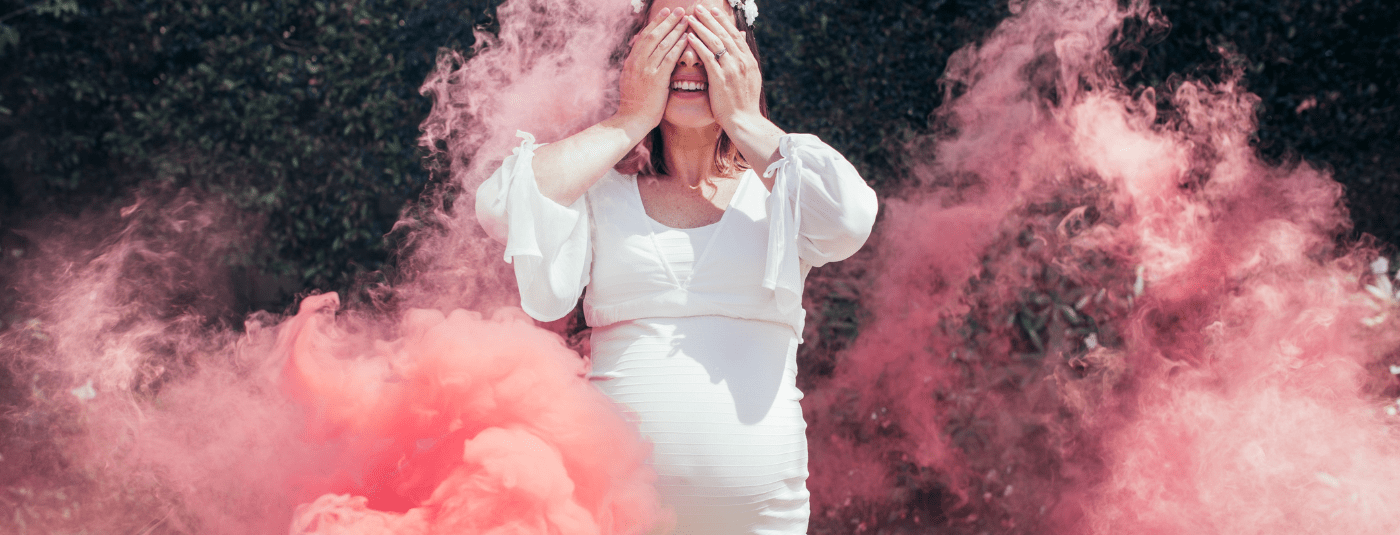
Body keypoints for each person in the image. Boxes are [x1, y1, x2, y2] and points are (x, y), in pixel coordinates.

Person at [476, 0, 878, 532]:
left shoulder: (782, 187)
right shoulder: (600, 189)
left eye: (710, 35)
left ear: (743, 56)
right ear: (638, 56)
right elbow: (503, 206)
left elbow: (850, 219)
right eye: (669, 34)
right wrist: (629, 119)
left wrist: (744, 118)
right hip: (616, 512)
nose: (689, 57)